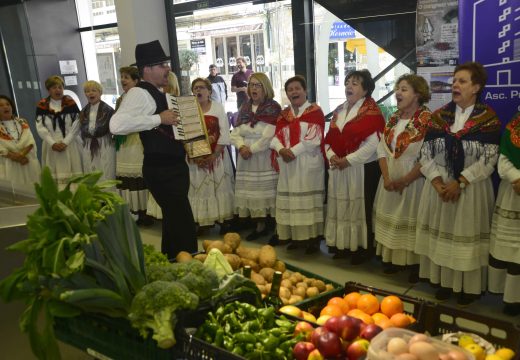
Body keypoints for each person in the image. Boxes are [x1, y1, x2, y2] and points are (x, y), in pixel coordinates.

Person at [415, 62, 501, 305]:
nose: (455, 85)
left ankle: (468, 288)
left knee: (466, 235)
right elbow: (425, 153)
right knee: (442, 234)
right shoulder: (439, 116)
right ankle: (443, 282)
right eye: (454, 81)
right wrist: (436, 181)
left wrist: (461, 182)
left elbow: (490, 158)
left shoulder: (488, 118)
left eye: (462, 81)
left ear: (476, 87)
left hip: (471, 190)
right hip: (439, 188)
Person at [110, 40, 197, 259]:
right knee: (182, 221)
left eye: (166, 63)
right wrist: (159, 118)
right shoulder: (140, 93)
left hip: (171, 167)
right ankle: (187, 261)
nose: (168, 68)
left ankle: (171, 261)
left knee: (174, 219)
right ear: (147, 69)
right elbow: (116, 125)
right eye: (162, 64)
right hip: (162, 169)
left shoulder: (157, 92)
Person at [372, 74, 431, 281]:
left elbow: (427, 157)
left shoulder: (427, 121)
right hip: (389, 180)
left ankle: (414, 265)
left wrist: (404, 180)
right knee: (392, 219)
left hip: (414, 181)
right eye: (398, 88)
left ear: (418, 94)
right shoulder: (393, 118)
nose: (398, 93)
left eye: (404, 89)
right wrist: (387, 178)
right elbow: (381, 149)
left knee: (411, 220)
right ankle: (393, 260)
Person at [324, 70, 385, 265]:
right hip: (339, 169)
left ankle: (361, 248)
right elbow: (328, 140)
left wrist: (348, 160)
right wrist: (332, 156)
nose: (349, 86)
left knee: (360, 208)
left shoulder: (372, 112)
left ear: (366, 89)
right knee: (341, 206)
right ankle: (342, 245)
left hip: (361, 169)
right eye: (348, 82)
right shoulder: (339, 111)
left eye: (355, 83)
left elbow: (374, 144)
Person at [270, 75, 326, 253]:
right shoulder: (284, 115)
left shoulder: (315, 111)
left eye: (297, 88)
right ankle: (295, 237)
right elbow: (275, 137)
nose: (293, 92)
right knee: (292, 203)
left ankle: (312, 240)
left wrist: (292, 152)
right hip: (288, 164)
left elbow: (315, 138)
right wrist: (281, 150)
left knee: (308, 202)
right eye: (290, 89)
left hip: (306, 162)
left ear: (305, 90)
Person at [230, 73, 281, 241]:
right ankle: (259, 226)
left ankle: (273, 228)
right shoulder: (244, 108)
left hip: (263, 157)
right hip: (247, 158)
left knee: (267, 193)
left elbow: (269, 136)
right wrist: (241, 146)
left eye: (257, 85)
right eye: (251, 85)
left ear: (265, 87)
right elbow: (236, 132)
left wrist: (250, 148)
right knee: (253, 194)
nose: (253, 88)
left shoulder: (273, 107)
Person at [188, 78, 235, 232]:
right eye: (195, 88)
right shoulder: (189, 109)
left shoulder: (217, 107)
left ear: (209, 91)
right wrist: (196, 157)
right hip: (196, 159)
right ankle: (203, 221)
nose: (198, 91)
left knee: (219, 188)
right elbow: (185, 135)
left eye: (201, 88)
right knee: (200, 189)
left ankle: (223, 220)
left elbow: (224, 133)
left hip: (217, 157)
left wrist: (214, 155)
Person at [488, 111, 520, 316]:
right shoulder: (514, 127)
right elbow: (504, 160)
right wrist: (517, 178)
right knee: (512, 251)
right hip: (513, 192)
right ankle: (511, 299)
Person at [114, 66, 153, 226]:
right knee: (126, 177)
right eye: (122, 77)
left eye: (127, 77)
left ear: (136, 81)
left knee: (139, 175)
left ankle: (145, 212)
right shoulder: (120, 99)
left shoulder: (142, 97)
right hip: (124, 143)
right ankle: (132, 210)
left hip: (138, 140)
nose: (123, 80)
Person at [35, 75, 82, 189]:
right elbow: (40, 127)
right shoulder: (42, 105)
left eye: (60, 87)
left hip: (70, 145)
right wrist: (53, 143)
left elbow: (77, 123)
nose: (58, 90)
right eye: (54, 87)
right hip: (51, 147)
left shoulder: (70, 103)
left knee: (73, 177)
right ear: (48, 90)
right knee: (55, 178)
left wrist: (66, 141)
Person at [146, 71, 180, 220]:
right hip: (160, 159)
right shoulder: (153, 105)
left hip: (177, 159)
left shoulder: (178, 103)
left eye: (166, 84)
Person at [0, 95, 40, 185]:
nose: (5, 107)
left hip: (26, 161)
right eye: (1, 105)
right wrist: (15, 157)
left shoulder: (22, 122)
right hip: (8, 165)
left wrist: (21, 156)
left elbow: (30, 142)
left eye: (7, 104)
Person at [79, 80, 115, 180]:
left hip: (104, 144)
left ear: (100, 92)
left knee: (106, 171)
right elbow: (77, 128)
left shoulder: (108, 110)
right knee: (90, 171)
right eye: (87, 91)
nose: (90, 93)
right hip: (88, 145)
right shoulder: (83, 111)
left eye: (93, 90)